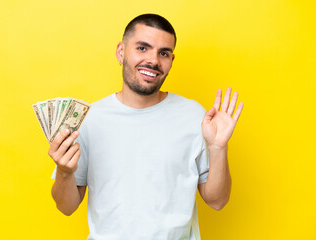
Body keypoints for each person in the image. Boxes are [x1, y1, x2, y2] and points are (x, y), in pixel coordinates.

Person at [49, 14, 243, 240]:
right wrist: (64, 172)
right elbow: (66, 207)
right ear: (121, 52)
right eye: (142, 48)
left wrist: (218, 148)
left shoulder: (194, 116)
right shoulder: (88, 119)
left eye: (164, 53)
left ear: (172, 60)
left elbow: (217, 201)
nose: (153, 61)